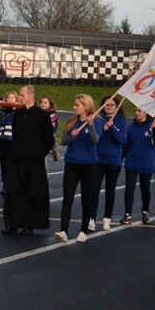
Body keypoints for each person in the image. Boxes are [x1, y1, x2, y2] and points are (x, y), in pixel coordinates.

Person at [2, 85, 55, 235]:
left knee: (31, 193)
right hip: (16, 160)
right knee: (13, 192)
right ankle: (12, 223)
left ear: (30, 96)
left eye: (22, 95)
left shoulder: (41, 115)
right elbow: (15, 135)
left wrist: (37, 154)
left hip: (33, 163)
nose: (19, 97)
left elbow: (48, 140)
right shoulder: (17, 114)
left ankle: (29, 225)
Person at [54, 94, 102, 243]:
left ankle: (83, 230)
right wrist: (72, 136)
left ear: (85, 106)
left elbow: (95, 141)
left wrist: (91, 125)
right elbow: (64, 141)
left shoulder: (96, 121)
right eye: (74, 104)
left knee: (86, 200)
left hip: (88, 165)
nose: (74, 107)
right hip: (72, 164)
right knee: (67, 198)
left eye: (77, 105)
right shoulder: (72, 121)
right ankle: (63, 231)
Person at [90, 95, 127, 232]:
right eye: (106, 105)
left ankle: (107, 219)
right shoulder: (98, 120)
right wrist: (104, 129)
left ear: (117, 107)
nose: (109, 107)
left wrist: (112, 128)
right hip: (98, 159)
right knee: (94, 190)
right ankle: (91, 219)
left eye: (112, 105)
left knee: (110, 192)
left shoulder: (121, 121)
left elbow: (122, 141)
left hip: (114, 161)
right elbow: (96, 138)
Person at [120, 107, 155, 225]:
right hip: (132, 162)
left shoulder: (152, 126)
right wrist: (120, 159)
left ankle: (145, 211)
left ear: (146, 113)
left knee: (145, 188)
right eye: (135, 110)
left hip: (146, 163)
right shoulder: (131, 127)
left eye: (139, 111)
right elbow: (126, 146)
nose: (136, 113)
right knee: (129, 187)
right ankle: (128, 214)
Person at [0, 91, 18, 196]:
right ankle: (4, 183)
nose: (10, 100)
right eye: (8, 98)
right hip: (1, 139)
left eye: (12, 98)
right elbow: (0, 122)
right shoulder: (2, 111)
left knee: (10, 163)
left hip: (12, 140)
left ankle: (10, 184)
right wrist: (1, 110)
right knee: (3, 162)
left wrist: (13, 110)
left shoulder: (17, 111)